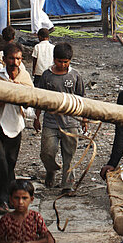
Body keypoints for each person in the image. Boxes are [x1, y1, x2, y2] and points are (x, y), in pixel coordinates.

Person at [0, 43, 33, 214]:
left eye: (18, 58)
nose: (14, 62)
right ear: (4, 59)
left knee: (10, 162)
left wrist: (19, 94)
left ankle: (12, 197)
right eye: (11, 58)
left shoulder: (24, 77)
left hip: (14, 125)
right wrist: (7, 95)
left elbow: (31, 104)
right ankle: (1, 199)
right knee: (0, 160)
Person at [34, 43, 86, 195]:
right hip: (50, 122)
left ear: (70, 60)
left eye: (66, 62)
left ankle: (67, 185)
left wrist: (84, 120)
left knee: (69, 154)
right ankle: (51, 170)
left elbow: (82, 99)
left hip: (71, 122)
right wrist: (37, 118)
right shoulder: (46, 76)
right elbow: (39, 99)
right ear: (54, 59)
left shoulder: (75, 76)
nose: (62, 64)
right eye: (59, 61)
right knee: (47, 152)